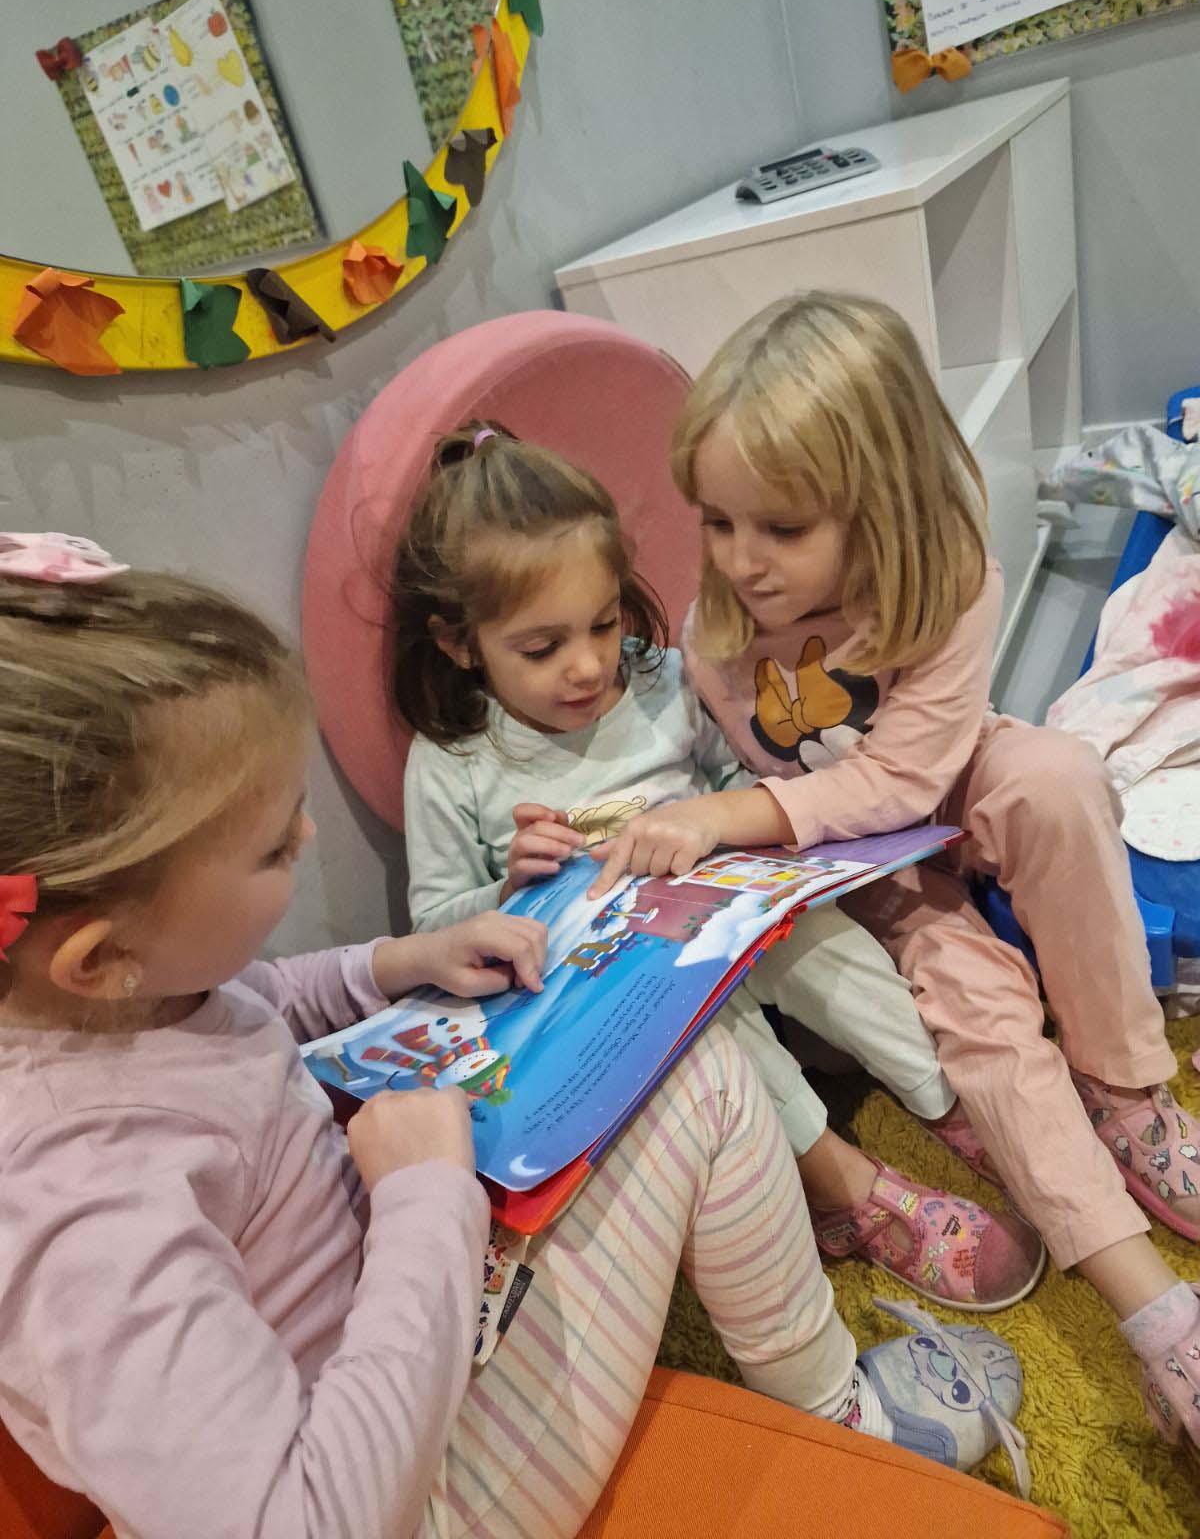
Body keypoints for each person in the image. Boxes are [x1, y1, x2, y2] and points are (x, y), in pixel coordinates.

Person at [0, 532, 1029, 1537]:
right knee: (710, 1080)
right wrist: (425, 1199)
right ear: (96, 957)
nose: (307, 838)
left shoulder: (121, 995)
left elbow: (250, 998)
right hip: (415, 1485)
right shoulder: (83, 1218)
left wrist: (401, 961)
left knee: (666, 1046)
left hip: (394, 1318)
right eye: (273, 848)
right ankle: (839, 1409)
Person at [588, 292, 1200, 1455]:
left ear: (880, 504)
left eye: (781, 528)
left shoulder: (951, 576)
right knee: (977, 998)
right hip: (850, 863)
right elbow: (796, 798)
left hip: (928, 783)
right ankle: (1155, 1309)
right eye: (718, 522)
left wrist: (732, 809)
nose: (741, 560)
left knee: (1057, 776)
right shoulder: (721, 622)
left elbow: (910, 774)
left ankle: (1126, 1092)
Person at [391, 428, 1043, 1312]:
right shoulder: (455, 760)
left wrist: (725, 835)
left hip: (728, 905)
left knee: (834, 954)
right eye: (541, 649)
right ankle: (843, 1190)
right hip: (608, 984)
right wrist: (505, 887)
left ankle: (953, 1107)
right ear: (460, 644)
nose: (587, 664)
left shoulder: (659, 680)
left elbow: (739, 779)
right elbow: (432, 924)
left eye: (604, 622)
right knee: (709, 1031)